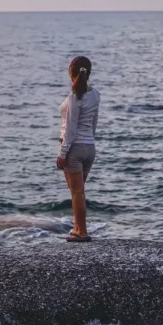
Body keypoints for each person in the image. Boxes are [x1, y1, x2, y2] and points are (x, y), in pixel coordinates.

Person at [56, 55, 100, 243]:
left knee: (76, 192)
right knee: (80, 191)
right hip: (89, 147)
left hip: (74, 149)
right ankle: (78, 228)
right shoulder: (95, 94)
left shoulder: (74, 98)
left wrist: (62, 153)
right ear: (88, 73)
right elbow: (93, 123)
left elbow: (71, 128)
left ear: (71, 73)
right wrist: (90, 140)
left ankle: (81, 231)